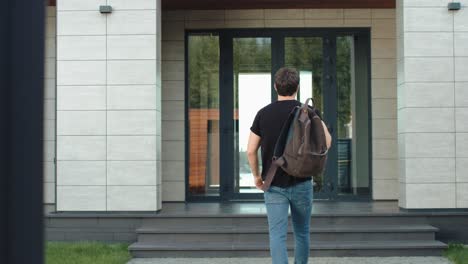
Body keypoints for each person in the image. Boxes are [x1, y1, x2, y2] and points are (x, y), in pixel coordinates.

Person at [246, 67, 332, 264]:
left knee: (277, 235)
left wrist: (257, 177)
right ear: (298, 87)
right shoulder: (308, 112)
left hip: (274, 184)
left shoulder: (263, 114)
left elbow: (251, 150)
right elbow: (327, 143)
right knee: (302, 233)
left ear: (275, 87)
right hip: (302, 182)